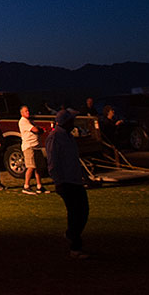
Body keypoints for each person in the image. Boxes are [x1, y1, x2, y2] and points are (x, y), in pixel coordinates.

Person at [46, 109, 90, 258]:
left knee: (82, 211)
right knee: (76, 213)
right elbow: (53, 162)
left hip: (74, 179)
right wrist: (58, 181)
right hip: (66, 181)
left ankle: (71, 234)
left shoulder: (68, 136)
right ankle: (75, 247)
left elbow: (74, 159)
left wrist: (84, 176)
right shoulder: (55, 138)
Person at [18, 105, 46, 194]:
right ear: (22, 113)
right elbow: (35, 130)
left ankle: (39, 186)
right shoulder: (23, 122)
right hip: (29, 146)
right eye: (26, 111)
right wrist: (40, 130)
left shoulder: (29, 121)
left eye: (28, 111)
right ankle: (26, 186)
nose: (28, 112)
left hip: (36, 146)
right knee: (31, 166)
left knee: (38, 167)